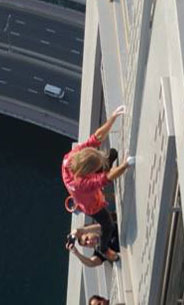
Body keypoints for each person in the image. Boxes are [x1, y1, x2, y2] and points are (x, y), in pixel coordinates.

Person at [61, 105, 134, 263]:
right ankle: (103, 248)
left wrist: (113, 118)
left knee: (110, 156)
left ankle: (108, 160)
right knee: (107, 225)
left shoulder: (71, 158)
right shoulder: (83, 184)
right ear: (88, 172)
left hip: (85, 186)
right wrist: (125, 165)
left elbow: (96, 137)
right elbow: (106, 178)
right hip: (93, 205)